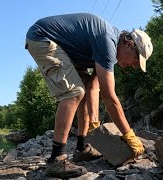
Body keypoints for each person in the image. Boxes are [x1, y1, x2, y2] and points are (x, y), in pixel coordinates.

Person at [25, 13, 153, 179]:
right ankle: (56, 159)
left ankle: (81, 148)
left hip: (63, 47)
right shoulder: (107, 42)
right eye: (136, 60)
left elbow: (93, 86)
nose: (134, 66)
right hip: (42, 36)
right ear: (129, 44)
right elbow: (109, 97)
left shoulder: (111, 48)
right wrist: (129, 135)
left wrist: (94, 123)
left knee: (83, 89)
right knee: (74, 92)